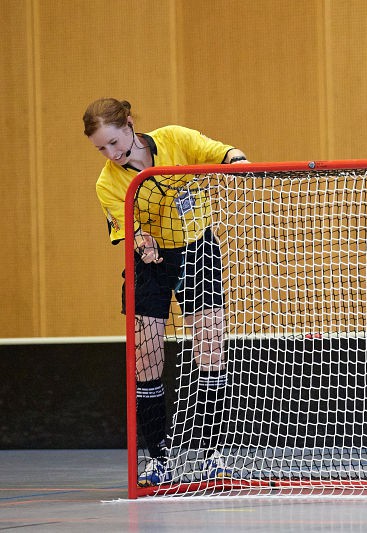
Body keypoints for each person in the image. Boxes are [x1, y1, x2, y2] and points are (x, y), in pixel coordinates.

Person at [83, 98, 249, 487]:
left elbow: (221, 152)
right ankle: (159, 458)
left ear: (129, 124)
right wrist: (142, 242)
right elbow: (128, 230)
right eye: (101, 149)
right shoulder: (108, 183)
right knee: (147, 358)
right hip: (151, 264)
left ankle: (213, 455)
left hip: (198, 250)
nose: (111, 154)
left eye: (113, 142)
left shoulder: (174, 139)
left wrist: (238, 161)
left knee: (210, 348)